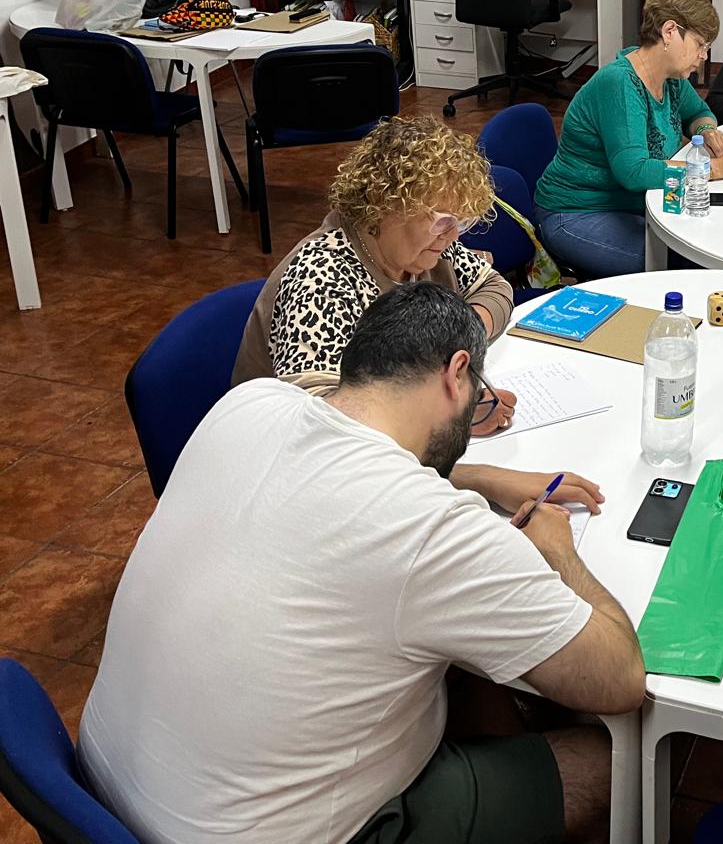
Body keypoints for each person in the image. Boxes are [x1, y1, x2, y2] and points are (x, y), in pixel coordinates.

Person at [81, 283, 645, 843]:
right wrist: (558, 551)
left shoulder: (248, 403)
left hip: (104, 799)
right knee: (612, 758)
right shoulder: (434, 527)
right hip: (265, 833)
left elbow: (339, 476)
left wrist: (482, 477)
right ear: (457, 373)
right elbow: (618, 681)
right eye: (479, 392)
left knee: (452, 666)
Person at [233, 115, 588, 518]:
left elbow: (494, 287)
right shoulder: (321, 279)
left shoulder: (428, 250)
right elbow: (327, 441)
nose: (453, 237)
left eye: (461, 222)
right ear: (383, 204)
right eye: (443, 222)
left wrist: (452, 366)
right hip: (285, 490)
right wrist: (448, 434)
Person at [536, 0, 723, 277]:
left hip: (631, 204)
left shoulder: (670, 77)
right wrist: (714, 168)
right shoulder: (620, 84)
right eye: (700, 44)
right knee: (681, 263)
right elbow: (634, 171)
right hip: (576, 212)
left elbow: (699, 113)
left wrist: (707, 131)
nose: (704, 55)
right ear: (669, 31)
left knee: (710, 242)